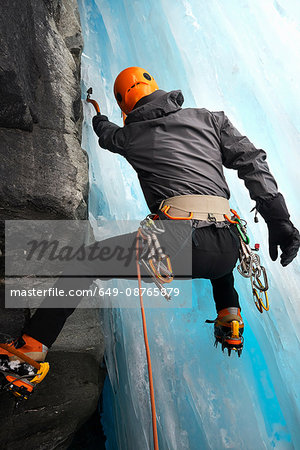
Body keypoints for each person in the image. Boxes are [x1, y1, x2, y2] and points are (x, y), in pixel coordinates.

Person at [1, 67, 299, 369]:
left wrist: (99, 118)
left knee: (86, 263)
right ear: (153, 85)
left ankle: (30, 351)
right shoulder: (211, 119)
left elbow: (106, 136)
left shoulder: (128, 136)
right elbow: (251, 160)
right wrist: (279, 221)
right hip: (228, 248)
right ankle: (229, 318)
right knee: (218, 263)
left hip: (178, 246)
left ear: (124, 104)